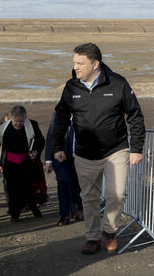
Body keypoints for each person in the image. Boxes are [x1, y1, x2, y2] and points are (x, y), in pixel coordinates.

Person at [51, 43, 145, 254]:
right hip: (84, 154)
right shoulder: (71, 87)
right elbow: (61, 118)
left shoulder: (118, 83)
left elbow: (135, 115)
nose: (75, 67)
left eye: (79, 63)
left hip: (116, 150)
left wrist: (136, 147)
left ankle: (110, 231)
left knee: (117, 194)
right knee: (90, 197)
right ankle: (93, 238)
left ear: (95, 63)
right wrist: (56, 146)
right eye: (74, 62)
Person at [0, 105, 46, 222]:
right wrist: (0, 164)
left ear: (25, 118)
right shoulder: (4, 128)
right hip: (11, 164)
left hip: (28, 162)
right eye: (16, 121)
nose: (19, 124)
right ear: (11, 118)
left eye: (21, 121)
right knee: (13, 190)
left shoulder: (32, 125)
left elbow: (40, 140)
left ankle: (33, 208)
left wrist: (37, 151)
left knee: (30, 188)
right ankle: (15, 214)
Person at [45, 112, 82, 226]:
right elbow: (51, 136)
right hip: (61, 158)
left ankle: (74, 209)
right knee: (63, 184)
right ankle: (64, 215)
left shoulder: (84, 113)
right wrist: (48, 160)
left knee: (75, 187)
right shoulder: (58, 115)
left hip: (79, 157)